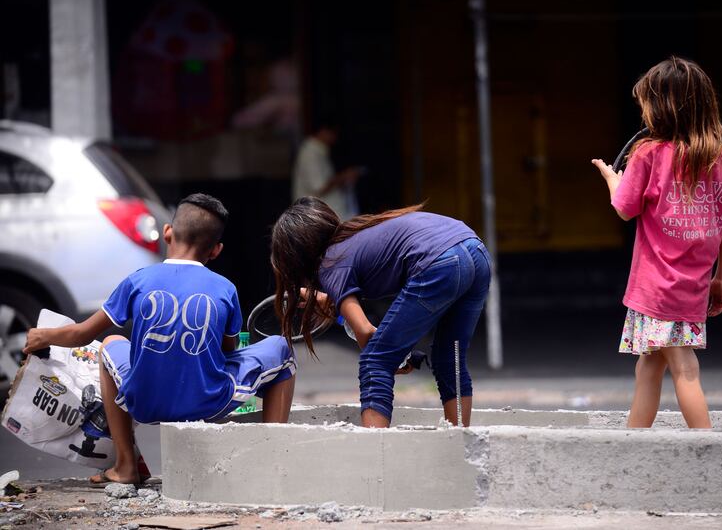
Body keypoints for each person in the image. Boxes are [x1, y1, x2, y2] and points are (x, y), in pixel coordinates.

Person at [23, 193, 297, 484]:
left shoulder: (137, 280)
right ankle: (272, 461)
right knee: (281, 348)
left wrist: (44, 335)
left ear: (168, 232)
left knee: (110, 343)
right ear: (216, 250)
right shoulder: (225, 288)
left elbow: (82, 334)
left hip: (143, 404)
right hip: (209, 402)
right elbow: (228, 350)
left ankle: (126, 465)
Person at [591, 56, 722, 428]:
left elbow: (625, 209)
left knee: (685, 369)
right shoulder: (721, 157)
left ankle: (707, 451)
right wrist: (721, 278)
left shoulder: (648, 153)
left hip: (658, 287)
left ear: (658, 107)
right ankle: (634, 442)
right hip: (692, 285)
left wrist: (613, 178)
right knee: (649, 366)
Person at [270, 196, 490, 428]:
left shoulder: (330, 263)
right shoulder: (358, 236)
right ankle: (459, 443)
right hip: (475, 250)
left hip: (441, 261)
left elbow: (366, 334)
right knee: (450, 358)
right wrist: (339, 308)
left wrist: (391, 355)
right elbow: (372, 331)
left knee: (374, 362)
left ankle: (375, 450)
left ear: (298, 259)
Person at [292, 117, 360, 220]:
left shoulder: (319, 151)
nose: (335, 138)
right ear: (324, 131)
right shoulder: (310, 152)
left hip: (326, 214)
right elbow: (319, 186)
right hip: (318, 217)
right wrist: (343, 177)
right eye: (333, 134)